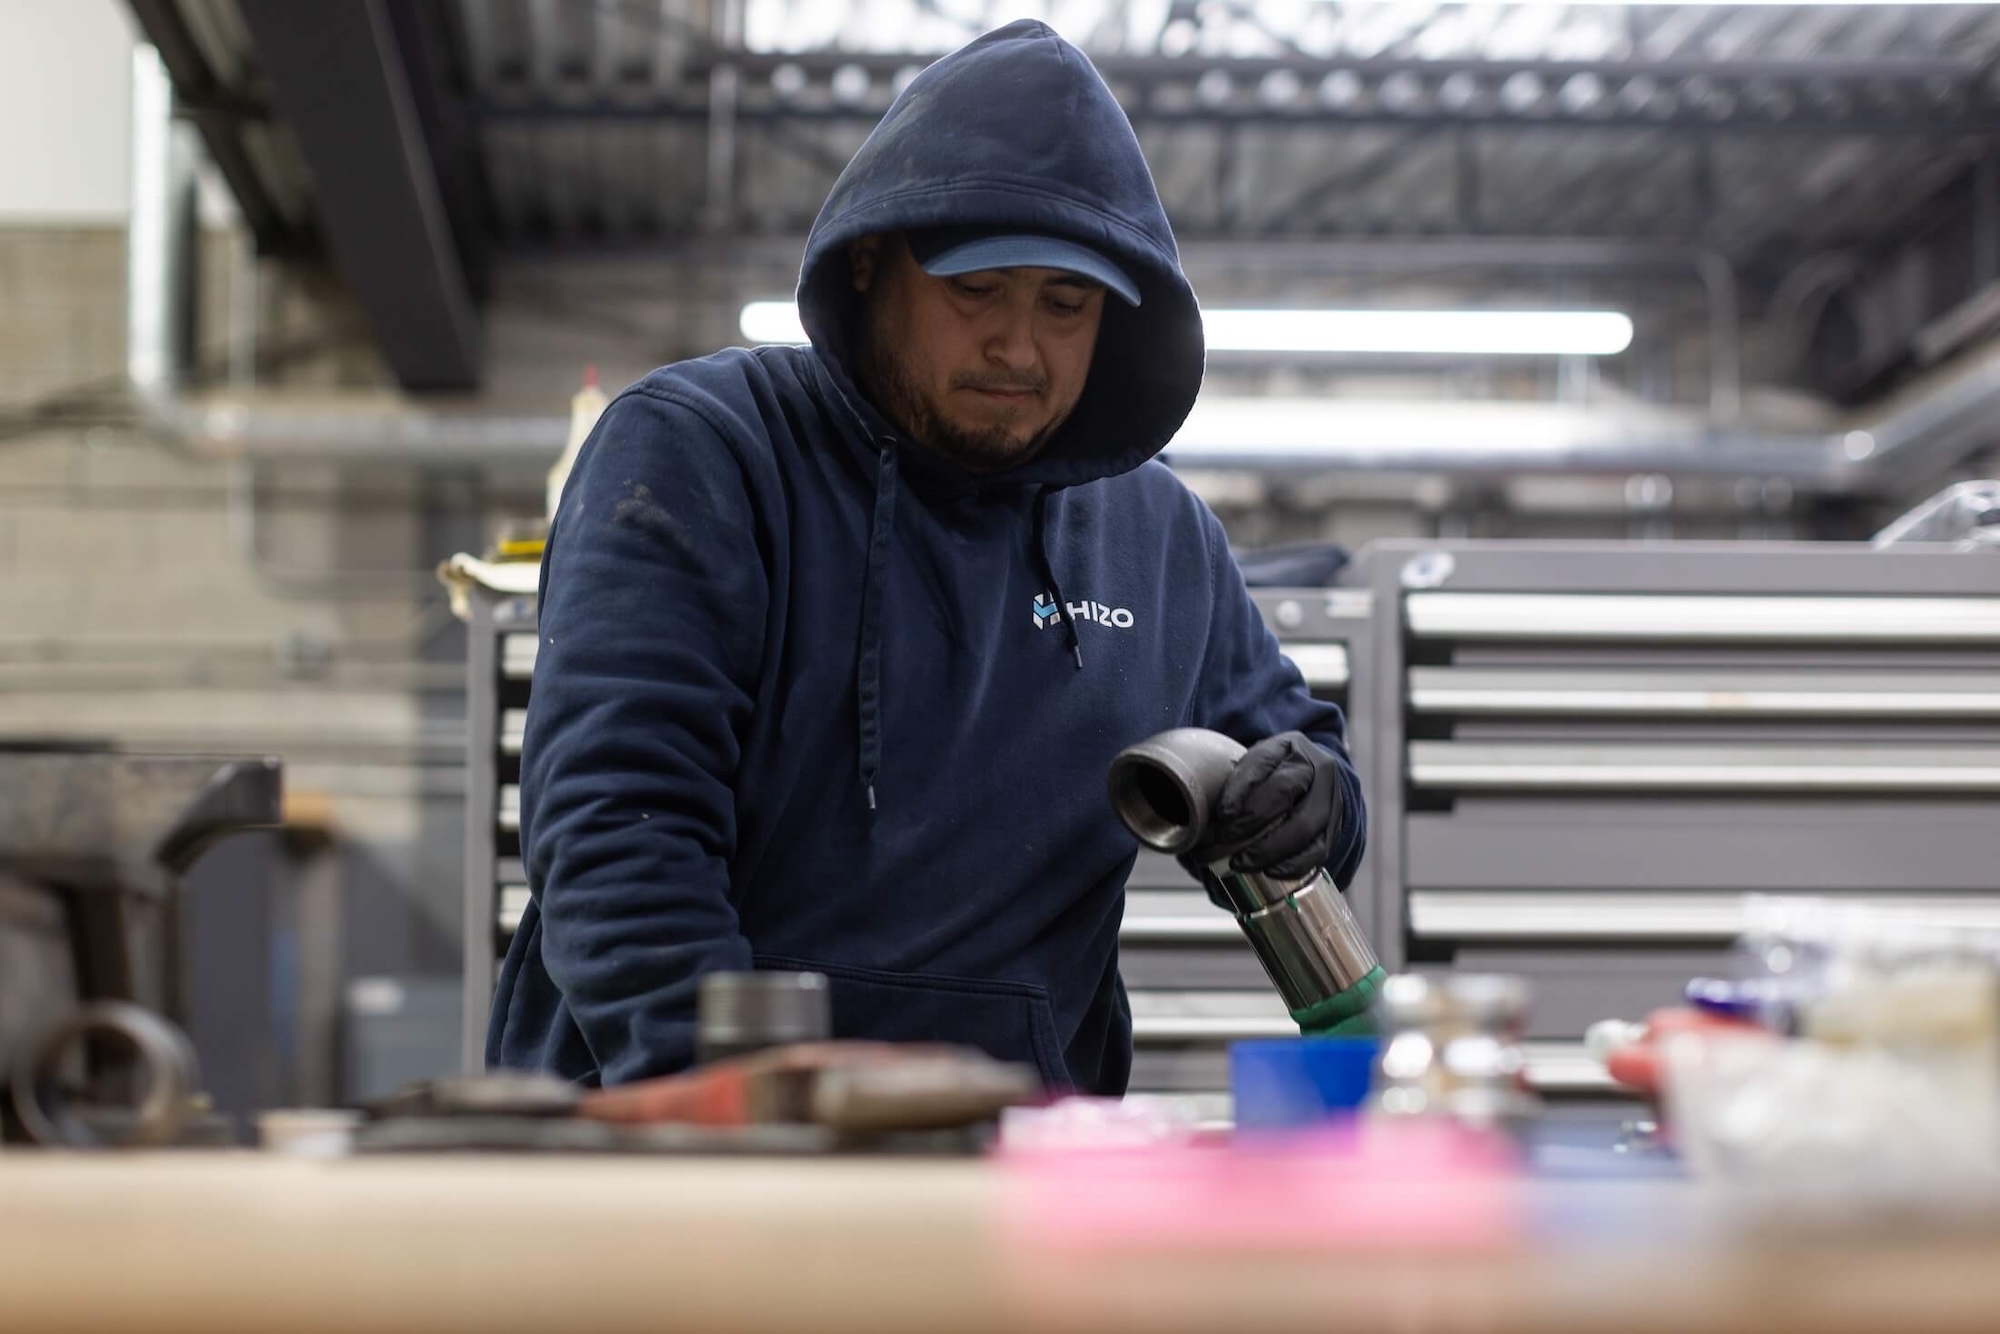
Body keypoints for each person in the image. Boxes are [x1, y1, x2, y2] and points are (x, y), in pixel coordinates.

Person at [489, 20, 1366, 1094]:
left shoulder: (1158, 536)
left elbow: (1303, 778)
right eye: (974, 289)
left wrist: (1310, 796)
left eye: (1064, 303)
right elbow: (617, 827)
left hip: (1010, 1165)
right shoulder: (703, 450)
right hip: (695, 1153)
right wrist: (739, 1105)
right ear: (872, 264)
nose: (1016, 346)